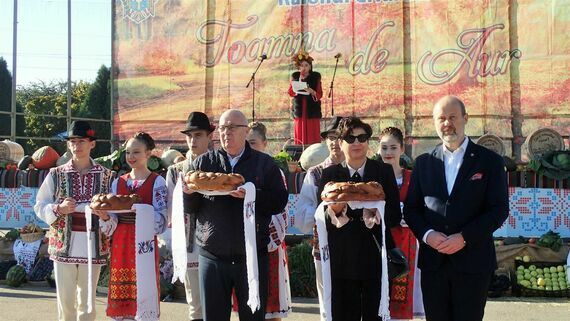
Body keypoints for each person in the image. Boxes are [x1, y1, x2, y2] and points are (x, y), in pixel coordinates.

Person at [404, 96, 509, 321]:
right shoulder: (424, 162)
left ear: (465, 118)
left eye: (452, 117)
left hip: (473, 262)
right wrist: (427, 235)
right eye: (441, 118)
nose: (446, 123)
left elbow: (498, 210)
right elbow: (412, 209)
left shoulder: (489, 161)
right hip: (434, 262)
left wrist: (464, 237)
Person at [185, 109, 289, 321]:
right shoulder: (203, 164)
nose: (226, 133)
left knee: (252, 318)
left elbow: (279, 201)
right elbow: (191, 208)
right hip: (212, 256)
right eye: (223, 128)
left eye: (232, 128)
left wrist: (251, 195)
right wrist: (187, 195)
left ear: (245, 130)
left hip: (252, 257)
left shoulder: (264, 164)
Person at [317, 116, 401, 321]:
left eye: (362, 138)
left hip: (375, 260)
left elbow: (395, 216)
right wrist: (336, 212)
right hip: (341, 260)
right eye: (350, 138)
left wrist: (375, 214)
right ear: (340, 142)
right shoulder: (330, 175)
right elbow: (320, 219)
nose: (356, 143)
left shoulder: (383, 171)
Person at [34, 121, 113, 321]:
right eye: (73, 141)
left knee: (87, 302)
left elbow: (115, 212)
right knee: (66, 301)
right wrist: (58, 208)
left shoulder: (106, 176)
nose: (77, 146)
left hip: (93, 245)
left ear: (92, 144)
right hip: (63, 245)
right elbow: (40, 205)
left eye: (82, 141)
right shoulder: (56, 174)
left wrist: (105, 215)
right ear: (68, 145)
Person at [96, 132, 167, 320]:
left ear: (148, 153)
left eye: (136, 152)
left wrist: (142, 212)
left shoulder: (157, 182)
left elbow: (161, 221)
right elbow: (111, 224)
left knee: (144, 287)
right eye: (128, 152)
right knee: (121, 294)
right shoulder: (118, 182)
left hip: (144, 243)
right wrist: (104, 217)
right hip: (121, 242)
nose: (131, 157)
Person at [166, 111, 215, 321]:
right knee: (195, 304)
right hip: (189, 243)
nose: (193, 140)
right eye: (189, 136)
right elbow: (170, 209)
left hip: (217, 242)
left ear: (209, 136)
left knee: (217, 302)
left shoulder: (219, 166)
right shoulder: (175, 171)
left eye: (198, 135)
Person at [241, 121, 292, 320]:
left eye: (252, 142)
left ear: (264, 143)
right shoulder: (238, 170)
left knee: (271, 305)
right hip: (244, 244)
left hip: (268, 242)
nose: (248, 147)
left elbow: (281, 207)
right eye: (246, 142)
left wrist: (271, 238)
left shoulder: (272, 169)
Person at [293, 115, 344, 310]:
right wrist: (325, 210)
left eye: (339, 137)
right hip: (325, 244)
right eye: (331, 137)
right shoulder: (315, 173)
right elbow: (301, 213)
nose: (335, 142)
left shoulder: (357, 169)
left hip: (356, 245)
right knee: (328, 302)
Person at [378, 127, 424, 320]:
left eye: (393, 147)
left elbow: (422, 205)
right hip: (380, 239)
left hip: (407, 239)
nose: (388, 152)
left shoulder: (412, 177)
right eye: (384, 147)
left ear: (402, 149)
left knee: (404, 287)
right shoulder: (374, 176)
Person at [288, 50, 323, 145]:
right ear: (298, 67)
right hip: (299, 109)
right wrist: (297, 88)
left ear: (310, 67)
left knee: (312, 134)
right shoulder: (295, 76)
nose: (304, 68)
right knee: (300, 133)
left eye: (306, 65)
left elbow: (319, 94)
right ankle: (300, 154)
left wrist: (311, 91)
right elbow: (290, 92)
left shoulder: (315, 77)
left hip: (312, 109)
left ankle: (314, 155)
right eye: (302, 65)